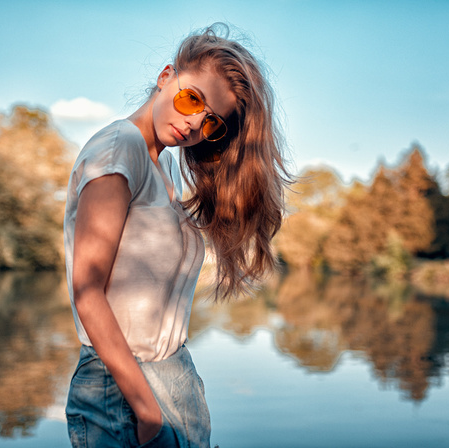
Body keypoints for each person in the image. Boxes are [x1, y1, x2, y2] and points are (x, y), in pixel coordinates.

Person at [63, 23, 291, 448]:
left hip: (173, 381)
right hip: (123, 391)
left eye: (212, 123)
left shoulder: (162, 165)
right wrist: (147, 411)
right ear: (167, 76)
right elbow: (87, 291)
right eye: (192, 99)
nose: (193, 125)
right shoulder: (118, 149)